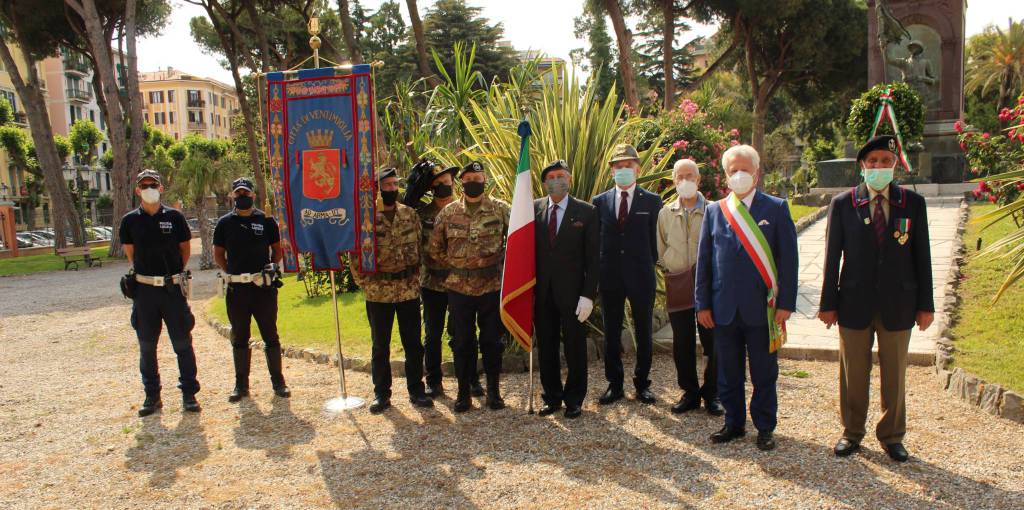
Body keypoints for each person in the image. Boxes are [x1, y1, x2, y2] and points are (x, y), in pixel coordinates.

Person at [817, 135, 934, 462]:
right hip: (854, 301)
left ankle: (892, 435)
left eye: (885, 161)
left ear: (895, 165)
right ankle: (852, 432)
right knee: (853, 373)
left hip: (899, 303)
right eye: (873, 162)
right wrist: (828, 303)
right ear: (862, 166)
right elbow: (832, 257)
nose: (879, 167)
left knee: (895, 374)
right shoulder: (843, 204)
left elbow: (922, 257)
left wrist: (926, 305)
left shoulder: (912, 204)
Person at [695, 145, 798, 451]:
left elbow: (788, 261)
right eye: (732, 171)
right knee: (728, 370)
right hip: (724, 308)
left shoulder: (776, 208)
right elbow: (704, 261)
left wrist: (786, 304)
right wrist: (702, 303)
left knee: (764, 372)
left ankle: (765, 426)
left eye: (744, 169)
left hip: (763, 309)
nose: (739, 175)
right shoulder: (715, 211)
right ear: (726, 175)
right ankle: (734, 423)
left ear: (756, 172)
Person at [428, 161, 510, 413]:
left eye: (478, 177)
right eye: (469, 177)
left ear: (485, 180)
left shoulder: (500, 209)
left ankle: (493, 393)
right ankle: (463, 393)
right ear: (461, 182)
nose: (474, 181)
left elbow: (517, 241)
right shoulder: (448, 213)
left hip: (491, 286)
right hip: (459, 289)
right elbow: (434, 249)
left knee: (492, 341)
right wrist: (457, 266)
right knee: (462, 342)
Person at [352, 168, 434, 413]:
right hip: (379, 292)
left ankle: (416, 391)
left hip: (408, 289)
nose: (391, 189)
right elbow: (356, 257)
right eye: (385, 185)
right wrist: (366, 285)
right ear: (376, 189)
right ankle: (381, 394)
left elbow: (420, 246)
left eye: (394, 184)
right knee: (380, 345)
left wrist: (416, 277)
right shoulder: (366, 219)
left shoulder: (409, 214)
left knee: (413, 344)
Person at [119, 169, 199, 416]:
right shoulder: (130, 221)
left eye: (153, 184)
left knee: (183, 344)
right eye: (144, 185)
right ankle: (152, 396)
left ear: (161, 188)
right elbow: (131, 253)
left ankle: (188, 394)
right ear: (137, 190)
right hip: (144, 292)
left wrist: (174, 274)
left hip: (172, 290)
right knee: (147, 347)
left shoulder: (174, 217)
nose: (149, 188)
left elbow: (184, 250)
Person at [592, 144, 663, 406]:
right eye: (618, 166)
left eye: (628, 166)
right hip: (610, 276)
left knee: (644, 330)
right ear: (612, 170)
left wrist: (646, 264)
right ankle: (615, 384)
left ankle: (642, 384)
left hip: (641, 275)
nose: (623, 170)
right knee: (611, 331)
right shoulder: (599, 202)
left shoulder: (652, 201)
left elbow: (656, 242)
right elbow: (596, 240)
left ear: (637, 169)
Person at [213, 177, 290, 403]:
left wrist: (272, 267)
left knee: (270, 335)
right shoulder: (224, 223)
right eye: (238, 194)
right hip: (238, 289)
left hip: (263, 288)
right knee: (239, 337)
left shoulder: (265, 220)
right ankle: (241, 385)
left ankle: (278, 382)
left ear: (253, 196)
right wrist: (232, 272)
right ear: (232, 196)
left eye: (246, 193)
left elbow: (277, 250)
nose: (242, 197)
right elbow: (219, 254)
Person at [657, 159, 724, 416]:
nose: (685, 181)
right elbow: (661, 247)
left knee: (712, 341)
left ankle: (713, 393)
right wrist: (672, 266)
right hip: (679, 282)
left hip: (708, 285)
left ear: (698, 179)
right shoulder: (665, 213)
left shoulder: (714, 210)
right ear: (674, 180)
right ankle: (690, 392)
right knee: (682, 342)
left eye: (690, 176)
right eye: (680, 176)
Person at [533, 160, 599, 419]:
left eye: (560, 176)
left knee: (574, 346)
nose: (556, 181)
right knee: (546, 346)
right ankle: (552, 398)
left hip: (573, 294)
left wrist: (588, 295)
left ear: (569, 180)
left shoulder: (586, 212)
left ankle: (574, 399)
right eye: (550, 177)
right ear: (544, 182)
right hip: (542, 293)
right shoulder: (533, 209)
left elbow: (594, 259)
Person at [417, 164, 483, 398]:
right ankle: (434, 381)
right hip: (433, 283)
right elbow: (421, 249)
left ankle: (471, 379)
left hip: (460, 284)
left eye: (447, 182)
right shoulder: (422, 214)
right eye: (438, 184)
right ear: (431, 188)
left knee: (463, 334)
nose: (444, 187)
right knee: (432, 335)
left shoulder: (463, 210)